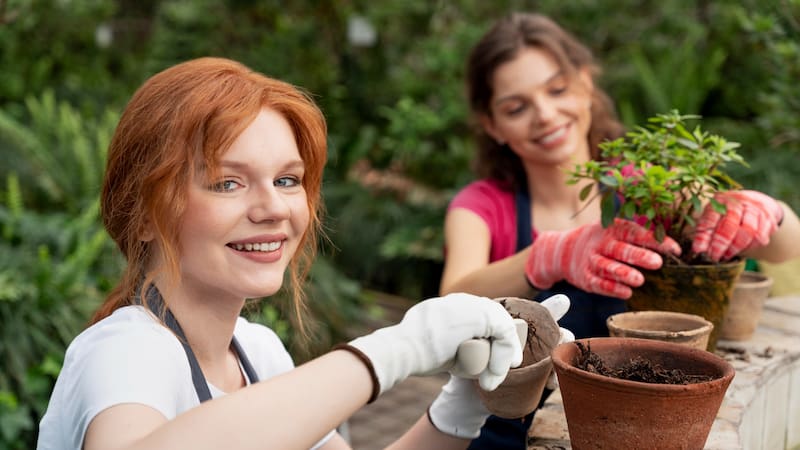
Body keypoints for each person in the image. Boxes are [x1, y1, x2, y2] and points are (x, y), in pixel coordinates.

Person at [36, 57, 574, 450]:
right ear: (146, 212)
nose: (274, 208)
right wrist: (396, 348)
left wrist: (460, 407)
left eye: (288, 179)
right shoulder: (124, 348)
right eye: (227, 183)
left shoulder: (259, 352)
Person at [439, 12, 800, 450]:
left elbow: (787, 245)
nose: (546, 115)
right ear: (492, 125)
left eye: (558, 89)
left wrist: (769, 212)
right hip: (504, 439)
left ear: (587, 83)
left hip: (638, 430)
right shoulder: (481, 206)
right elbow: (449, 305)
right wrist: (543, 258)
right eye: (516, 107)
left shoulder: (647, 186)